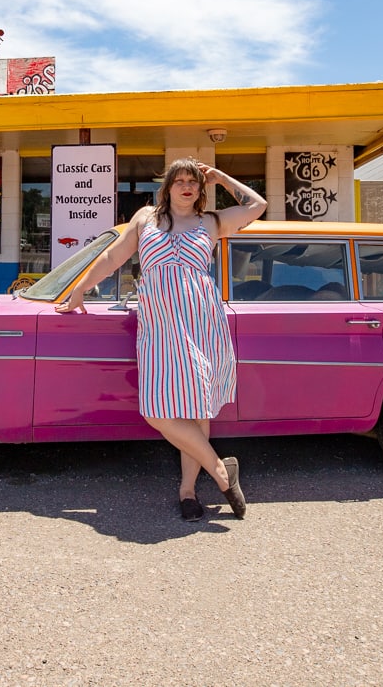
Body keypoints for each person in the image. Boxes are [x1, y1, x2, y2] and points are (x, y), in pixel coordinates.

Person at [56, 158, 267, 521]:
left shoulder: (211, 222)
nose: (187, 186)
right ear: (167, 187)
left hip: (201, 320)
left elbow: (257, 206)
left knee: (196, 408)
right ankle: (221, 471)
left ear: (200, 190)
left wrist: (220, 177)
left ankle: (187, 492)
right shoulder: (146, 218)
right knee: (157, 409)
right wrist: (80, 289)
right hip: (160, 325)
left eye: (193, 181)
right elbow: (112, 256)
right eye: (179, 180)